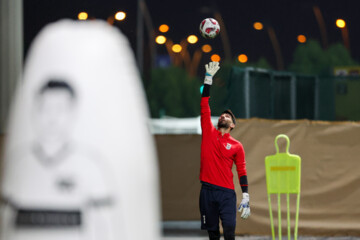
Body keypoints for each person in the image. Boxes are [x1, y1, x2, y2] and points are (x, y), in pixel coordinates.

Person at [199, 62, 250, 240]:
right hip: (207, 191)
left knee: (229, 233)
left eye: (227, 116)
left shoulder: (237, 145)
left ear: (232, 125)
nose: (223, 116)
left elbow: (242, 170)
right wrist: (208, 79)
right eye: (222, 114)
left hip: (227, 194)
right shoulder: (208, 131)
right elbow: (204, 102)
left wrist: (245, 196)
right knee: (213, 235)